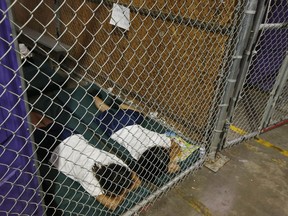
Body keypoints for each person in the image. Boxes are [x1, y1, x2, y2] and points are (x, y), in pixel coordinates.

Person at [30, 111, 141, 211]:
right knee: (32, 125)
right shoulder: (90, 179)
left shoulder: (115, 162)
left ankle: (26, 108)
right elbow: (112, 205)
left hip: (72, 137)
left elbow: (136, 181)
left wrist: (126, 188)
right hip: (54, 150)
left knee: (42, 121)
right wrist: (124, 193)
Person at [93, 96, 182, 183]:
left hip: (128, 121)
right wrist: (168, 164)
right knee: (104, 108)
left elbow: (176, 146)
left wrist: (171, 160)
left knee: (142, 113)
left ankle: (120, 106)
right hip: (115, 132)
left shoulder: (160, 141)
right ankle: (95, 97)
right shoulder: (139, 157)